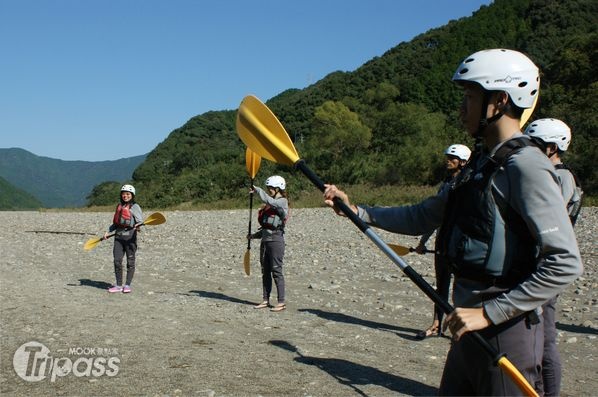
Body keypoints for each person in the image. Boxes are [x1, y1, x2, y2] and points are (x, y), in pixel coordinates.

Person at [323, 49, 583, 396]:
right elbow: (424, 215)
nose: (462, 108)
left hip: (505, 327)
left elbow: (565, 263)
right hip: (466, 320)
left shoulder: (527, 167)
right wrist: (360, 211)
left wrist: (489, 313)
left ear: (500, 100)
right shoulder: (479, 164)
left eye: (470, 97)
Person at [525, 118, 583, 397]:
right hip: (535, 262)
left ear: (552, 148)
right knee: (534, 335)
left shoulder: (561, 177)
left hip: (545, 265)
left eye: (536, 146)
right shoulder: (550, 173)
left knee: (545, 337)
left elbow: (546, 216)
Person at [415, 144, 471, 340]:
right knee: (441, 287)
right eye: (447, 156)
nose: (448, 160)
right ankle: (437, 324)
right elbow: (435, 217)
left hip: (460, 245)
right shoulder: (445, 185)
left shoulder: (468, 186)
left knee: (460, 289)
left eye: (453, 157)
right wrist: (423, 242)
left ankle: (462, 327)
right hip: (443, 242)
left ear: (463, 162)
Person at [248, 175, 289, 312]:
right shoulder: (268, 205)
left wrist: (258, 190)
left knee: (276, 271)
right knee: (265, 271)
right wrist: (253, 236)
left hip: (276, 241)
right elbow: (266, 227)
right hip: (265, 242)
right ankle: (265, 300)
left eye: (271, 188)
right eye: (268, 188)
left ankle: (281, 302)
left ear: (278, 188)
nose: (269, 190)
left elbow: (269, 200)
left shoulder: (282, 202)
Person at [106, 184, 143, 294]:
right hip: (118, 237)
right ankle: (118, 285)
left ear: (132, 195)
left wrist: (138, 226)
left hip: (130, 238)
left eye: (128, 194)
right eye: (123, 194)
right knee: (117, 261)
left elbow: (140, 221)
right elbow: (115, 223)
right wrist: (108, 232)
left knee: (130, 262)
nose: (125, 196)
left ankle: (127, 285)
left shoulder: (135, 207)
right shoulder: (119, 206)